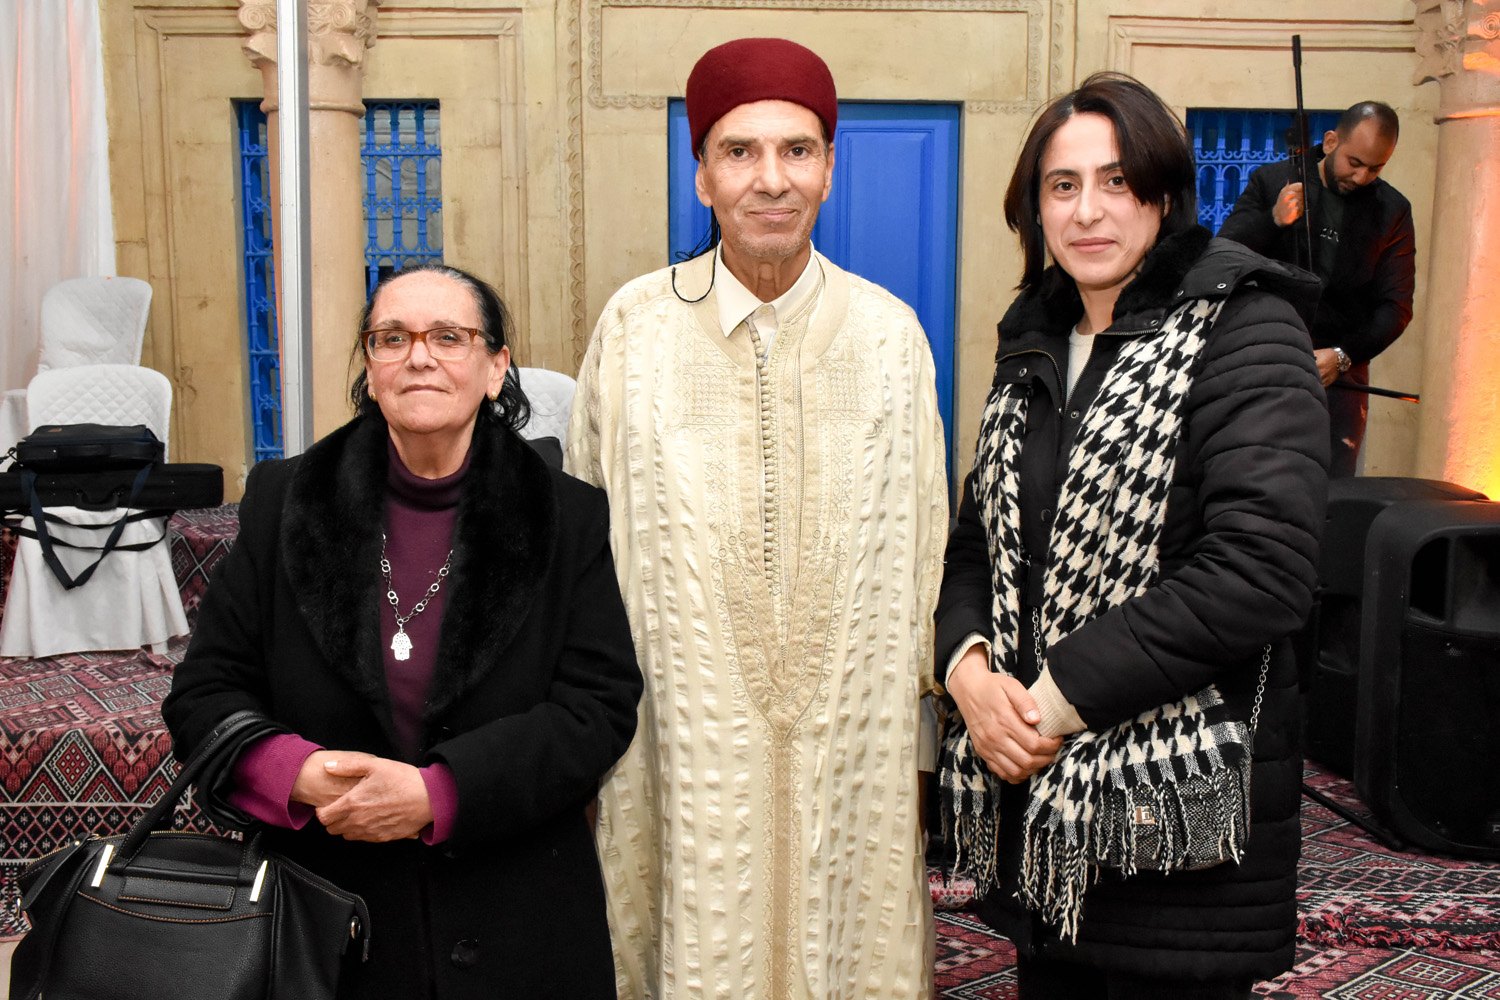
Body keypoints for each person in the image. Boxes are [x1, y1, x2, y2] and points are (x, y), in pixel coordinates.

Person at [565, 37, 948, 1000]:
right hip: (674, 743)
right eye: (740, 151)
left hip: (855, 746)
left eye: (797, 150)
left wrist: (923, 743)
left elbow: (927, 547)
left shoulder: (890, 337)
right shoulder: (634, 330)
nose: (771, 179)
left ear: (829, 169)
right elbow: (578, 539)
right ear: (701, 175)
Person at [935, 73, 1328, 998]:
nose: (1088, 211)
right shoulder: (1033, 340)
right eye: (1062, 186)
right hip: (1040, 813)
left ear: (1163, 194)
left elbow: (1258, 571)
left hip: (1175, 823)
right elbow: (976, 543)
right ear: (1035, 208)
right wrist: (968, 675)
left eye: (1117, 181)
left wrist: (1050, 700)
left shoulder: (1246, 330)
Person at [162, 263, 642, 1000]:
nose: (419, 357)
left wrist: (440, 794)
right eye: (393, 338)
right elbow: (205, 692)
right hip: (322, 918)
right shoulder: (285, 501)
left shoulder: (567, 514)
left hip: (518, 917)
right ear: (371, 363)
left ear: (495, 368)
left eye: (448, 337)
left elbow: (597, 708)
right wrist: (298, 774)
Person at [1217, 101, 1415, 476]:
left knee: (1330, 483)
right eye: (1354, 163)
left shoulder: (1392, 211)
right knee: (1250, 472)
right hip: (1264, 357)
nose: (1362, 177)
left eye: (1375, 168)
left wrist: (1342, 356)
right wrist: (1273, 220)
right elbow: (1223, 258)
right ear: (1330, 142)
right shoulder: (1274, 181)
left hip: (1340, 372)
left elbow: (1396, 307)